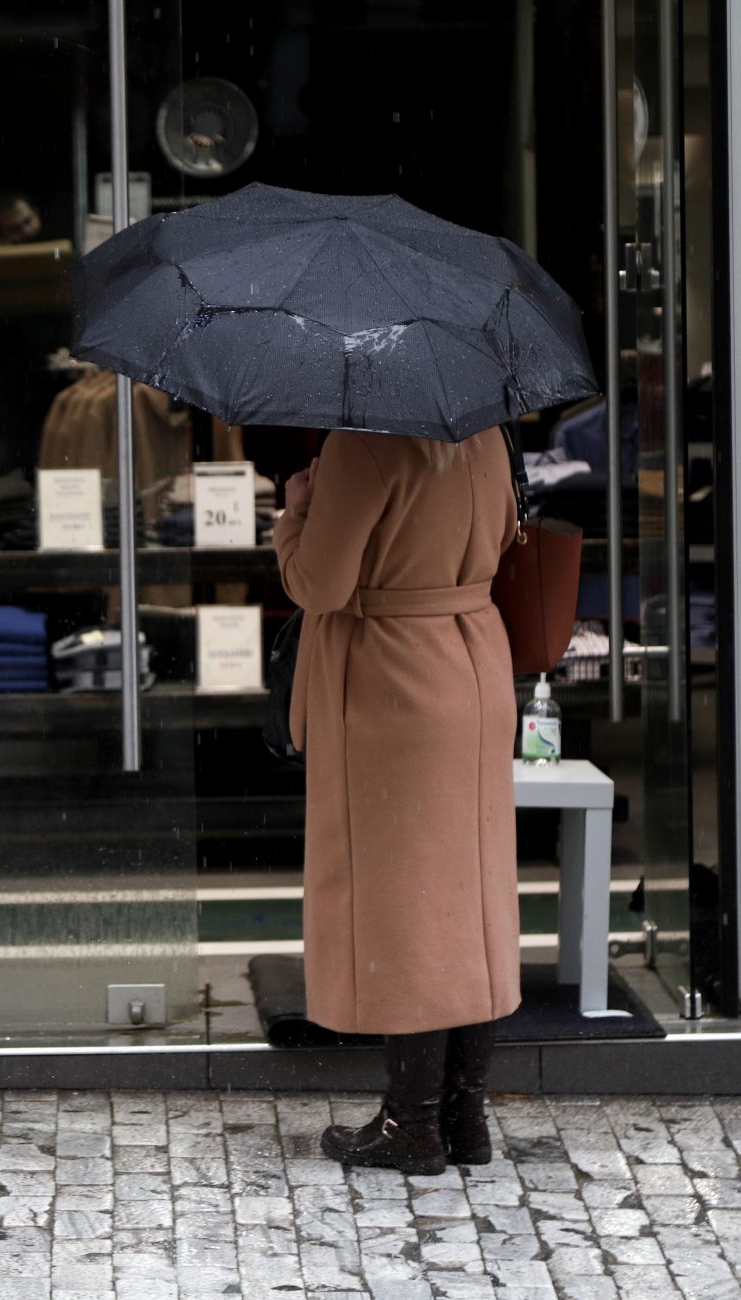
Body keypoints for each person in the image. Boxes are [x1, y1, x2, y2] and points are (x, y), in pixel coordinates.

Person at [275, 427, 521, 1174]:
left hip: (394, 677)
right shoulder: (486, 430)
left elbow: (318, 583)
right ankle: (463, 1116)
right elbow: (502, 535)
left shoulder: (365, 443)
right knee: (469, 901)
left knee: (408, 908)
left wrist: (296, 512)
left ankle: (412, 1123)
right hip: (474, 661)